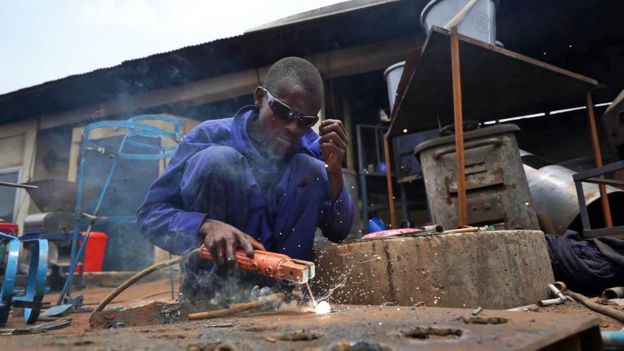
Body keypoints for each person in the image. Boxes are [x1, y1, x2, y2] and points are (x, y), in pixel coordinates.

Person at [137, 57, 355, 302]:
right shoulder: (209, 136)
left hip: (279, 298)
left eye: (306, 122)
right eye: (284, 112)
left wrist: (334, 171)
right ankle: (207, 295)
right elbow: (151, 214)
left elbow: (339, 231)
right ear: (260, 98)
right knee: (217, 161)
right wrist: (205, 225)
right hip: (212, 289)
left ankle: (286, 289)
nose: (294, 127)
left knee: (311, 169)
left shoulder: (312, 151)